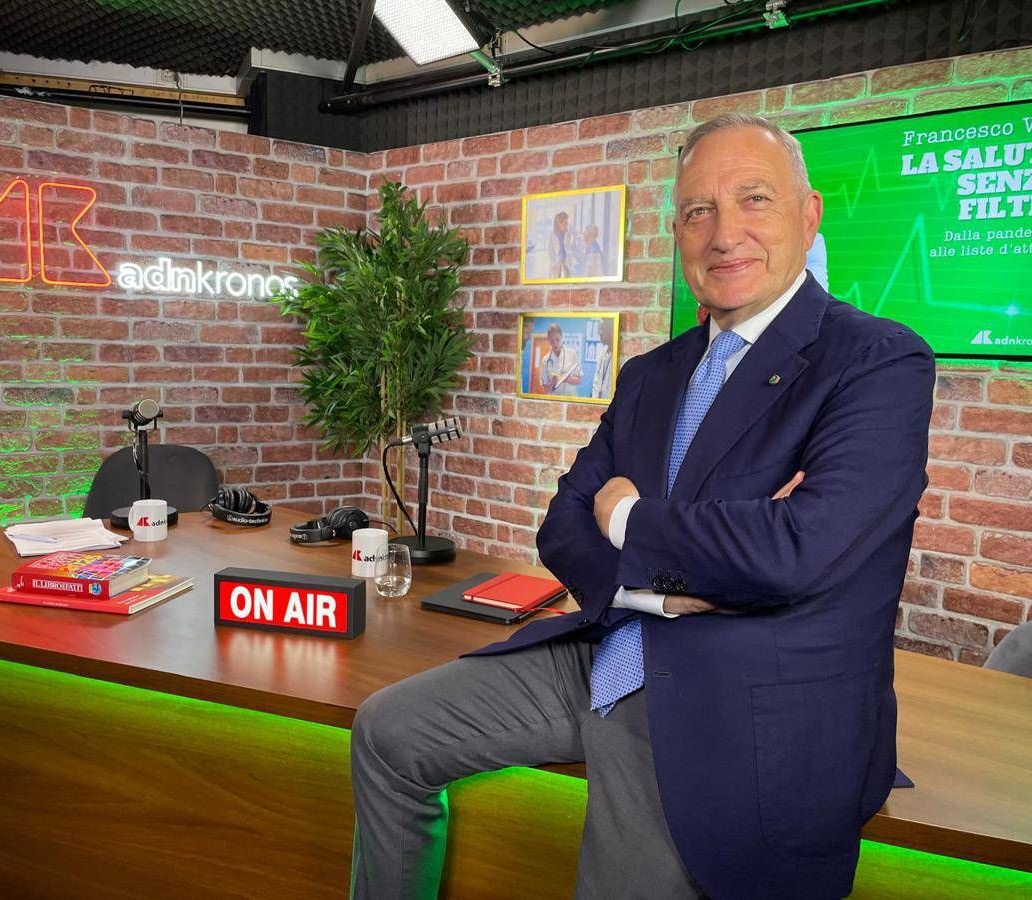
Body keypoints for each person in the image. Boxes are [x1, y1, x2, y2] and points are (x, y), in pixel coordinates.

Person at [350, 113, 934, 900]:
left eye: (754, 199)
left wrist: (627, 519)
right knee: (386, 731)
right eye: (698, 211)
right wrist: (660, 588)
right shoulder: (651, 374)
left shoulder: (877, 360)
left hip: (738, 693)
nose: (724, 233)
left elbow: (795, 550)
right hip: (612, 643)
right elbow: (562, 524)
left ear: (809, 215)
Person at [539, 323, 582, 396]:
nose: (555, 343)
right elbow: (545, 389)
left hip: (570, 397)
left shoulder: (572, 354)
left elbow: (579, 380)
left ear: (561, 336)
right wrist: (552, 383)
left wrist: (568, 379)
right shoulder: (545, 360)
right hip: (554, 400)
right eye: (552, 341)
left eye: (557, 339)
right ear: (548, 340)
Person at [590, 317, 614, 400]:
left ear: (611, 331)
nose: (600, 333)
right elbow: (596, 382)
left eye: (603, 329)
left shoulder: (617, 355)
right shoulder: (602, 353)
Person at [547, 210, 572, 279]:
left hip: (566, 260)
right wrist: (553, 263)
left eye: (567, 223)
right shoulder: (552, 234)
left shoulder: (568, 232)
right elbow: (550, 250)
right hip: (556, 261)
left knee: (567, 278)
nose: (567, 225)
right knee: (556, 278)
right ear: (559, 223)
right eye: (565, 223)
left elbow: (570, 246)